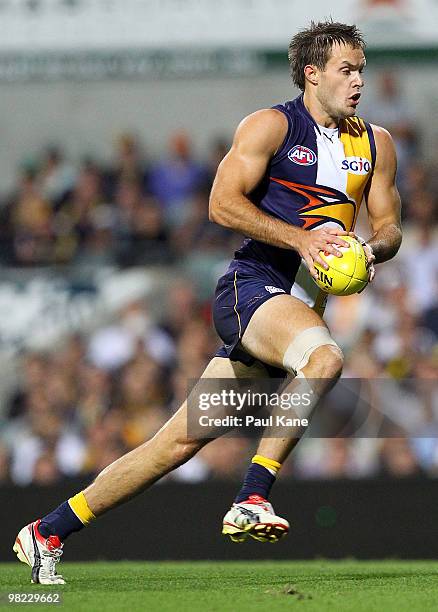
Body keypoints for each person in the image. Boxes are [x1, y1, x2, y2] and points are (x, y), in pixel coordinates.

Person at [13, 20, 402, 584]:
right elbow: (221, 204)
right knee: (326, 360)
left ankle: (48, 530)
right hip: (252, 288)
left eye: (362, 69)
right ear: (312, 74)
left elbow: (390, 226)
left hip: (295, 311)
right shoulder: (271, 126)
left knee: (175, 444)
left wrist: (369, 250)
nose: (359, 80)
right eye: (347, 69)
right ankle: (253, 496)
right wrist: (301, 239)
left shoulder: (376, 143)